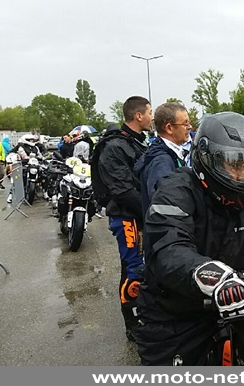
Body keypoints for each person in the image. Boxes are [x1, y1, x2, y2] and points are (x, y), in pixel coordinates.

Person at [136, 112, 244, 366]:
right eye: (235, 165)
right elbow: (168, 248)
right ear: (207, 158)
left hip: (237, 304)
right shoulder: (174, 190)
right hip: (176, 315)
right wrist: (214, 277)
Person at [91, 96, 152, 342]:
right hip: (127, 217)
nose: (152, 117)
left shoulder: (137, 143)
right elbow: (123, 190)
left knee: (144, 268)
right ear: (138, 116)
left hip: (141, 216)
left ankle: (145, 314)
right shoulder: (114, 146)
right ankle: (132, 322)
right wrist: (152, 212)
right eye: (149, 112)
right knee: (133, 270)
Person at [135, 102, 191, 216]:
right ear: (169, 128)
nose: (190, 127)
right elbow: (165, 208)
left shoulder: (171, 155)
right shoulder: (161, 162)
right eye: (185, 123)